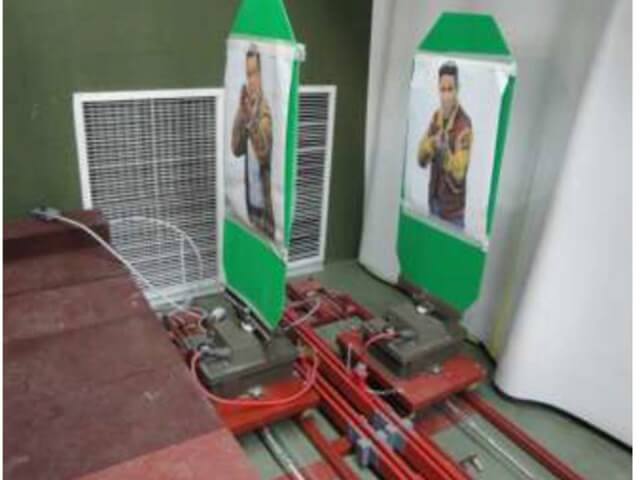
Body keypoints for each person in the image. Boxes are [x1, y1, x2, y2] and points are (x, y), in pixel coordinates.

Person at [417, 61, 473, 229]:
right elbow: (421, 159)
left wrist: (445, 153)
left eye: (450, 89)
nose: (446, 96)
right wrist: (431, 145)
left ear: (457, 89)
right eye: (443, 89)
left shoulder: (464, 126)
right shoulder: (436, 118)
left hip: (452, 213)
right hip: (433, 203)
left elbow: (459, 175)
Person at [231, 45, 275, 239]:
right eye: (248, 75)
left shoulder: (267, 109)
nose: (251, 81)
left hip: (267, 208)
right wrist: (242, 114)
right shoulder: (248, 106)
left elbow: (264, 154)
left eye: (255, 74)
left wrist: (250, 121)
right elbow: (236, 149)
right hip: (251, 202)